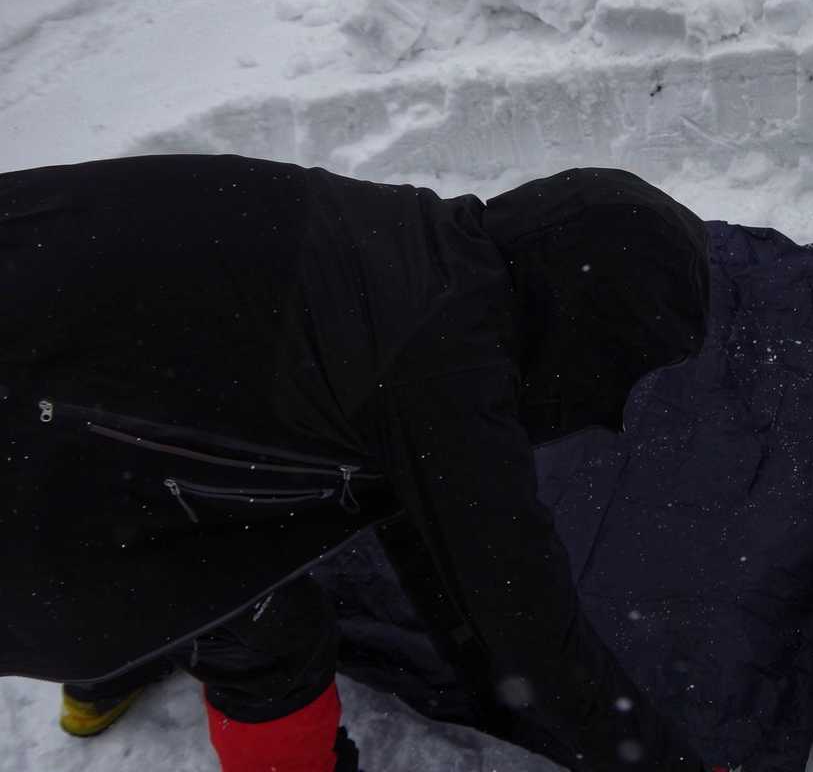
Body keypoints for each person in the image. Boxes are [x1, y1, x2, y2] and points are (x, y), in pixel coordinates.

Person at [0, 154, 723, 772]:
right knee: (267, 632)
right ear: (585, 330)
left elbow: (427, 528)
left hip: (46, 298)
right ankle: (121, 641)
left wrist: (483, 664)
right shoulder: (444, 363)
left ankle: (108, 670)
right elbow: (530, 630)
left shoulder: (418, 244)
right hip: (37, 423)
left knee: (179, 486)